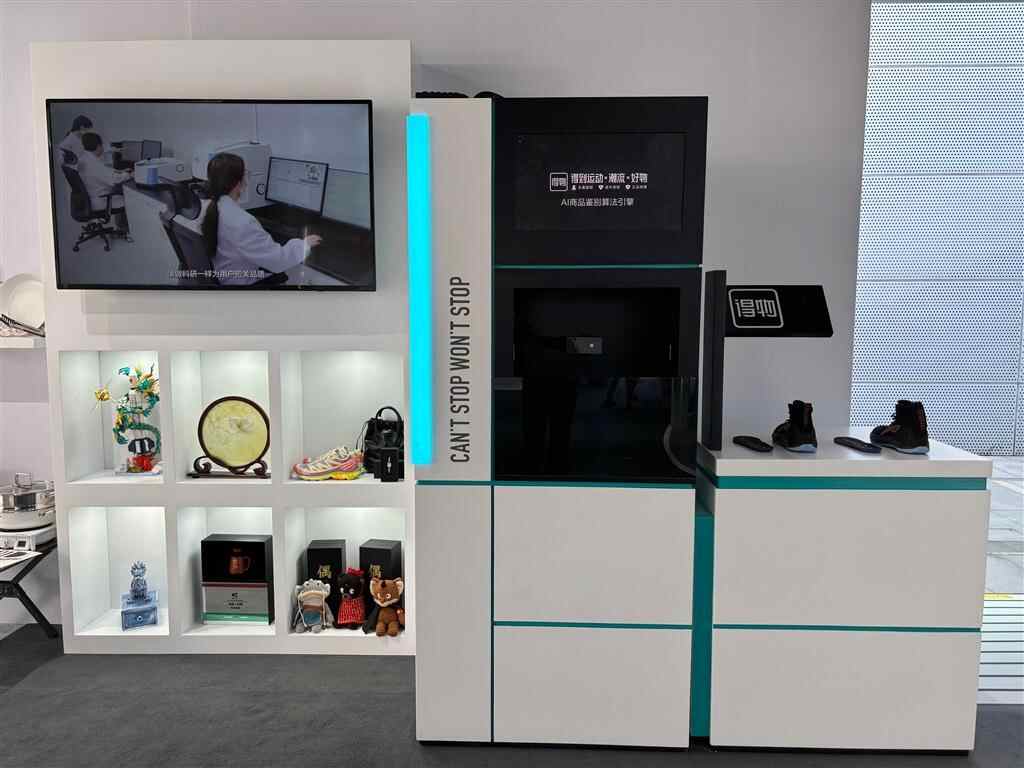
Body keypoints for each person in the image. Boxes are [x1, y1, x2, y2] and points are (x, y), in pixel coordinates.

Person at [200, 152, 321, 286]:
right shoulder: (242, 222)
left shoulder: (211, 207)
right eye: (245, 174)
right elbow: (278, 261)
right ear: (238, 183)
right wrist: (304, 245)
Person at [76, 132, 129, 231]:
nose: (103, 148)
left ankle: (121, 227)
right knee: (130, 199)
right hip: (101, 200)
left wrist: (119, 171)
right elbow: (114, 180)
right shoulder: (93, 163)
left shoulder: (84, 158)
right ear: (98, 146)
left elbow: (103, 171)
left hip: (89, 198)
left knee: (121, 191)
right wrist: (129, 174)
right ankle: (123, 228)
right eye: (102, 145)